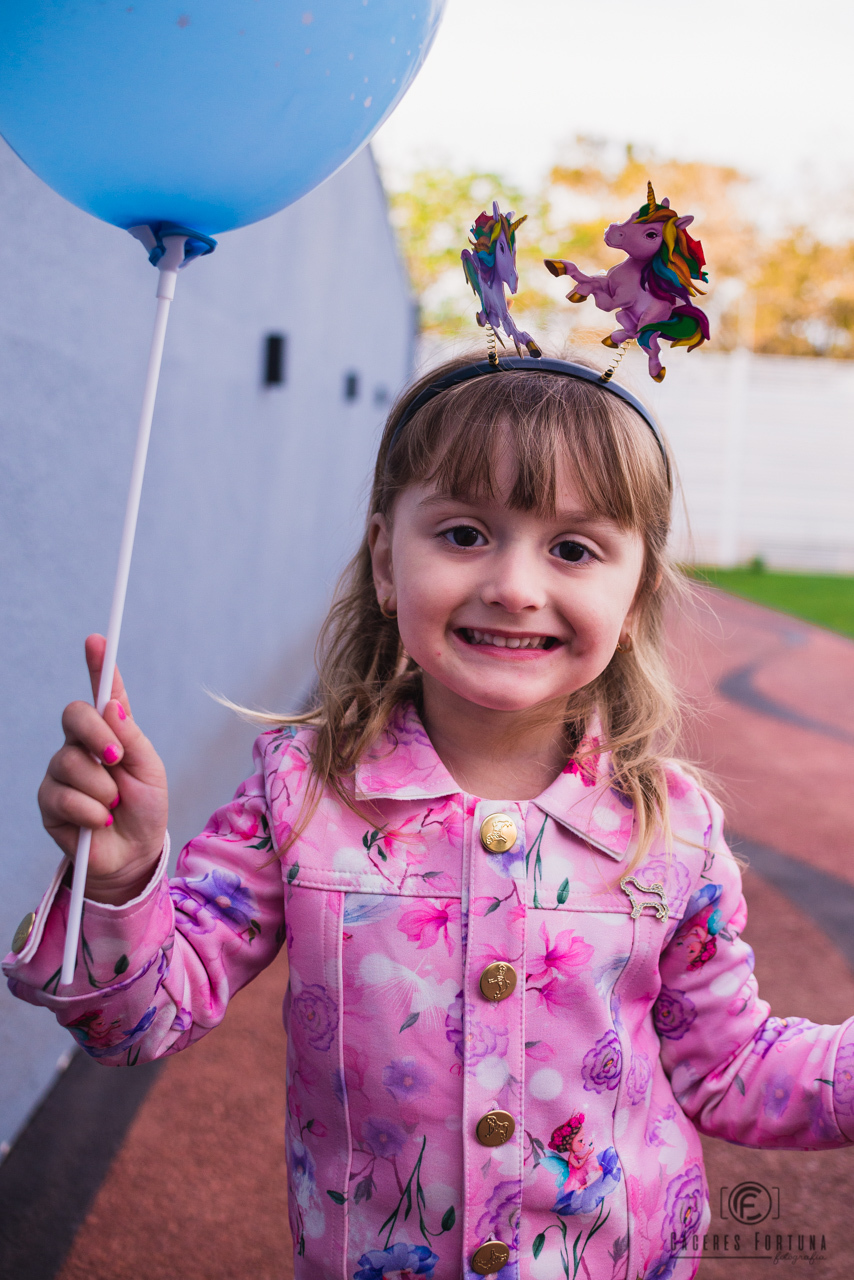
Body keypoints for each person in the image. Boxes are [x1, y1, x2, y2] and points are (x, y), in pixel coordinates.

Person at [6, 353, 854, 1280]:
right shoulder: (300, 793)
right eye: (463, 534)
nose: (515, 586)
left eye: (573, 549)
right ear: (384, 559)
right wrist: (123, 879)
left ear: (637, 592)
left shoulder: (674, 831)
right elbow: (138, 1022)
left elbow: (731, 1067)